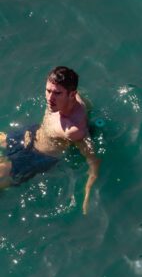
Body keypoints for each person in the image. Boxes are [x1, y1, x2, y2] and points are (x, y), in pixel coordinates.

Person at [0, 67, 100, 214]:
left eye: (57, 93)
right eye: (48, 91)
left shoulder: (73, 129)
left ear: (72, 95)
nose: (49, 98)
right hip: (32, 133)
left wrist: (87, 193)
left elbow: (93, 160)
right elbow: (87, 105)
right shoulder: (64, 99)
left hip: (37, 157)